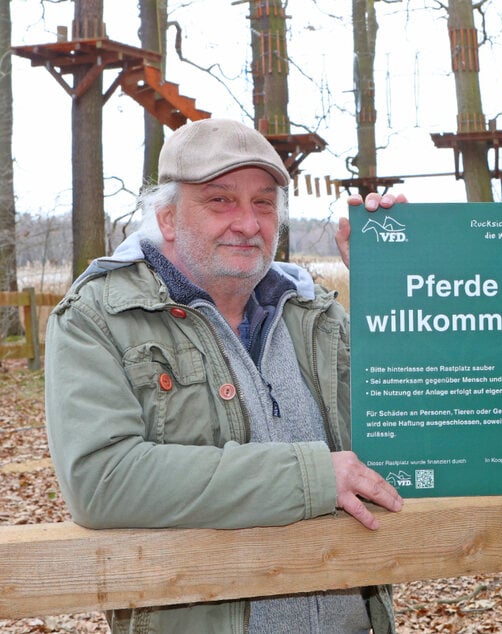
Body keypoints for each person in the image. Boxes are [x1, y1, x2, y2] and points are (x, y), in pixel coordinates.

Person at [44, 118, 404, 633]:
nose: (248, 223)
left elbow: (412, 421)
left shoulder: (315, 315)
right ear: (167, 218)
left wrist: (395, 285)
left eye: (263, 203)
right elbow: (102, 479)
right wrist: (310, 478)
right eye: (220, 201)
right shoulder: (100, 316)